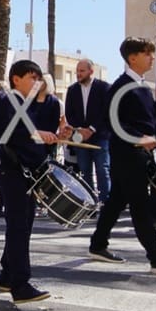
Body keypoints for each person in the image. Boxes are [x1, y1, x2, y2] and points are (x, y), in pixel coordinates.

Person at [87, 37, 156, 276]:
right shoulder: (119, 87)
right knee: (140, 206)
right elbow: (112, 121)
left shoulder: (144, 87)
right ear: (132, 58)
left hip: (140, 154)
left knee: (116, 201)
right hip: (127, 155)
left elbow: (153, 122)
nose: (152, 57)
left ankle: (98, 244)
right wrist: (137, 138)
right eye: (147, 53)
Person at [0, 59, 63, 303]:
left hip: (26, 172)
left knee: (22, 225)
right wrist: (36, 133)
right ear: (16, 79)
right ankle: (20, 284)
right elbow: (5, 133)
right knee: (19, 227)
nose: (36, 83)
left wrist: (50, 136)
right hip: (14, 171)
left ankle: (8, 276)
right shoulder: (7, 101)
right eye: (32, 78)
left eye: (38, 79)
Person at [62, 57, 113, 205]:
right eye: (77, 71)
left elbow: (106, 112)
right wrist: (80, 130)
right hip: (79, 137)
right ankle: (89, 203)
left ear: (91, 71)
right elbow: (69, 113)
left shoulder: (104, 88)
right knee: (85, 171)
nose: (78, 74)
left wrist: (91, 129)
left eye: (82, 71)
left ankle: (105, 203)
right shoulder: (72, 90)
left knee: (103, 170)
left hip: (100, 136)